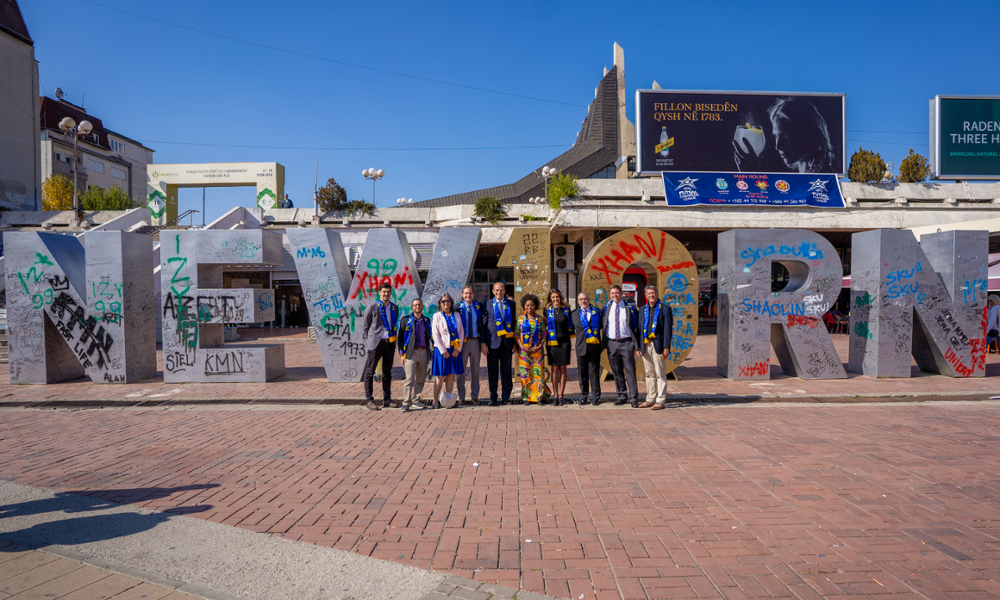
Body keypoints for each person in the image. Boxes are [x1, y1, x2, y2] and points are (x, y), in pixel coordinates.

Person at [733, 96, 836, 174]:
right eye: (776, 136)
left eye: (786, 136)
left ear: (808, 133)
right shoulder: (810, 174)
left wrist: (753, 174)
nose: (778, 146)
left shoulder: (821, 179)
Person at [602, 284, 640, 407]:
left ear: (621, 293)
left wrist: (636, 344)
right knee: (616, 371)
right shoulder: (607, 307)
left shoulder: (630, 307)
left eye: (617, 293)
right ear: (610, 295)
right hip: (612, 343)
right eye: (612, 293)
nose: (615, 295)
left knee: (630, 371)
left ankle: (633, 397)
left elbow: (636, 325)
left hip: (626, 343)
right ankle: (621, 395)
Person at [362, 283, 398, 411]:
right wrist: (371, 340)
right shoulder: (372, 307)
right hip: (376, 343)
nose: (386, 294)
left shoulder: (395, 308)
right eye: (384, 292)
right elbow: (365, 326)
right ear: (379, 293)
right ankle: (369, 400)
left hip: (389, 343)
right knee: (370, 372)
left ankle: (387, 399)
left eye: (388, 292)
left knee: (387, 372)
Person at [638, 285, 673, 411]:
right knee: (649, 374)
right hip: (645, 345)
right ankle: (650, 398)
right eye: (649, 293)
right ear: (646, 295)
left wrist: (666, 347)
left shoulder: (665, 309)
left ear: (657, 294)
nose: (651, 295)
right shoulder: (642, 310)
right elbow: (639, 329)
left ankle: (660, 400)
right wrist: (638, 347)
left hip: (658, 345)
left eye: (653, 293)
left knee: (660, 374)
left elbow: (668, 330)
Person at [483, 281, 516, 406]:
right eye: (496, 290)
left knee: (506, 371)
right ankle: (493, 397)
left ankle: (506, 397)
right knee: (492, 371)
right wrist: (483, 343)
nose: (499, 292)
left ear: (504, 291)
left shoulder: (511, 304)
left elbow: (513, 324)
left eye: (501, 290)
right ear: (493, 291)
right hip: (492, 344)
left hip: (506, 343)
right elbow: (484, 325)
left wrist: (514, 343)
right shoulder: (487, 304)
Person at [397, 297, 431, 411]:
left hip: (424, 352)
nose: (418, 306)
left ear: (422, 307)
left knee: (421, 378)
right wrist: (402, 354)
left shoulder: (426, 320)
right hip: (411, 353)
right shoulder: (406, 320)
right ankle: (406, 402)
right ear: (412, 307)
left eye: (419, 305)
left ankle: (416, 400)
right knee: (409, 378)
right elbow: (400, 337)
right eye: (415, 305)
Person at [431, 292, 464, 408]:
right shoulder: (437, 316)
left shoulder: (457, 315)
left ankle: (448, 401)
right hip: (442, 350)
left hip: (454, 349)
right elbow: (435, 334)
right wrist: (443, 350)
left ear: (451, 302)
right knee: (440, 376)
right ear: (440, 303)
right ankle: (435, 401)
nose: (446, 303)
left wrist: (458, 349)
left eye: (448, 301)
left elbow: (461, 332)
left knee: (451, 375)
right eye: (443, 301)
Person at [517, 294, 550, 405]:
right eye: (527, 305)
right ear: (524, 306)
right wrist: (521, 346)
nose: (529, 307)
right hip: (524, 352)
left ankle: (539, 397)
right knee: (525, 375)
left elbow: (544, 333)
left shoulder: (539, 319)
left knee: (538, 374)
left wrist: (540, 345)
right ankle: (527, 397)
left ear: (535, 306)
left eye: (532, 305)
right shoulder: (520, 319)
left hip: (537, 352)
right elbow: (516, 334)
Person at [572, 292, 603, 405]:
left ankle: (595, 396)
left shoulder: (598, 312)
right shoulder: (574, 314)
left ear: (589, 299)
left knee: (594, 373)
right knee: (582, 374)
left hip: (594, 347)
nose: (583, 301)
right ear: (578, 301)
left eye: (585, 299)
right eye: (581, 299)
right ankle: (583, 395)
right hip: (581, 347)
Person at [544, 289, 574, 406]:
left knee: (563, 369)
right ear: (550, 299)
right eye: (553, 297)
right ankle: (555, 395)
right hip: (552, 343)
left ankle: (561, 395)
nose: (555, 299)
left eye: (557, 297)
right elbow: (544, 326)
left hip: (565, 342)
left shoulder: (566, 309)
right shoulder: (546, 310)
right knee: (554, 369)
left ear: (560, 297)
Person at [456, 285, 485, 405]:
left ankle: (475, 396)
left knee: (475, 370)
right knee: (461, 371)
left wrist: (483, 342)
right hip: (463, 343)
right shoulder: (457, 307)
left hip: (475, 341)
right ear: (462, 295)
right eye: (466, 293)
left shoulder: (479, 306)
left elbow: (482, 325)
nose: (468, 295)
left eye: (470, 293)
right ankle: (461, 397)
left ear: (473, 294)